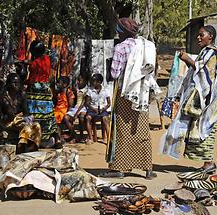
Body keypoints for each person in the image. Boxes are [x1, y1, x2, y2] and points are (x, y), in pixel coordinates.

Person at [161, 25, 217, 173]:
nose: (198, 38)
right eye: (198, 35)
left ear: (210, 36)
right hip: (204, 100)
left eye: (201, 35)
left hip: (208, 101)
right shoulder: (207, 52)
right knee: (199, 129)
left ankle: (209, 163)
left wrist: (187, 59)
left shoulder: (212, 53)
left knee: (205, 129)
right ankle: (208, 162)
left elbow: (206, 73)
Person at [99, 18, 160, 180]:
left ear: (124, 32)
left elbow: (115, 74)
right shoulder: (147, 46)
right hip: (142, 93)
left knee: (122, 130)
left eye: (119, 30)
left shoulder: (120, 48)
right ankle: (148, 168)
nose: (117, 33)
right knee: (141, 128)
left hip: (125, 93)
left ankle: (119, 167)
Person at [25, 40, 62, 148]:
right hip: (45, 90)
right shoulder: (46, 58)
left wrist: (25, 82)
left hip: (35, 92)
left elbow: (32, 78)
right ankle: (57, 140)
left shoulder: (35, 63)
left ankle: (34, 140)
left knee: (34, 115)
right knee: (48, 115)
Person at [0, 73, 41, 154]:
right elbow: (11, 115)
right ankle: (21, 147)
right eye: (15, 83)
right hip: (7, 121)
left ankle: (33, 147)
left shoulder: (21, 95)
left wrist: (28, 118)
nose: (17, 85)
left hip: (19, 119)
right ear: (9, 84)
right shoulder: (4, 97)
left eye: (18, 83)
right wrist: (23, 119)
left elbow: (26, 112)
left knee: (37, 125)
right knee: (26, 127)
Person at [85, 73, 110, 144]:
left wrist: (103, 108)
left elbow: (109, 103)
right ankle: (90, 138)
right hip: (92, 109)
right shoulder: (90, 90)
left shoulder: (106, 90)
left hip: (102, 109)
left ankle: (108, 139)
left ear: (99, 82)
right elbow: (87, 103)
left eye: (94, 81)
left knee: (105, 119)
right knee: (88, 118)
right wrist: (93, 109)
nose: (93, 83)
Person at [64, 74, 88, 141]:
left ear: (85, 81)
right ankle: (73, 134)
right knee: (66, 117)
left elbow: (83, 103)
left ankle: (81, 135)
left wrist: (76, 114)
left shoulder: (86, 90)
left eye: (79, 80)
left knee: (81, 117)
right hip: (76, 108)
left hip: (83, 108)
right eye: (77, 80)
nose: (77, 82)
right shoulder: (77, 88)